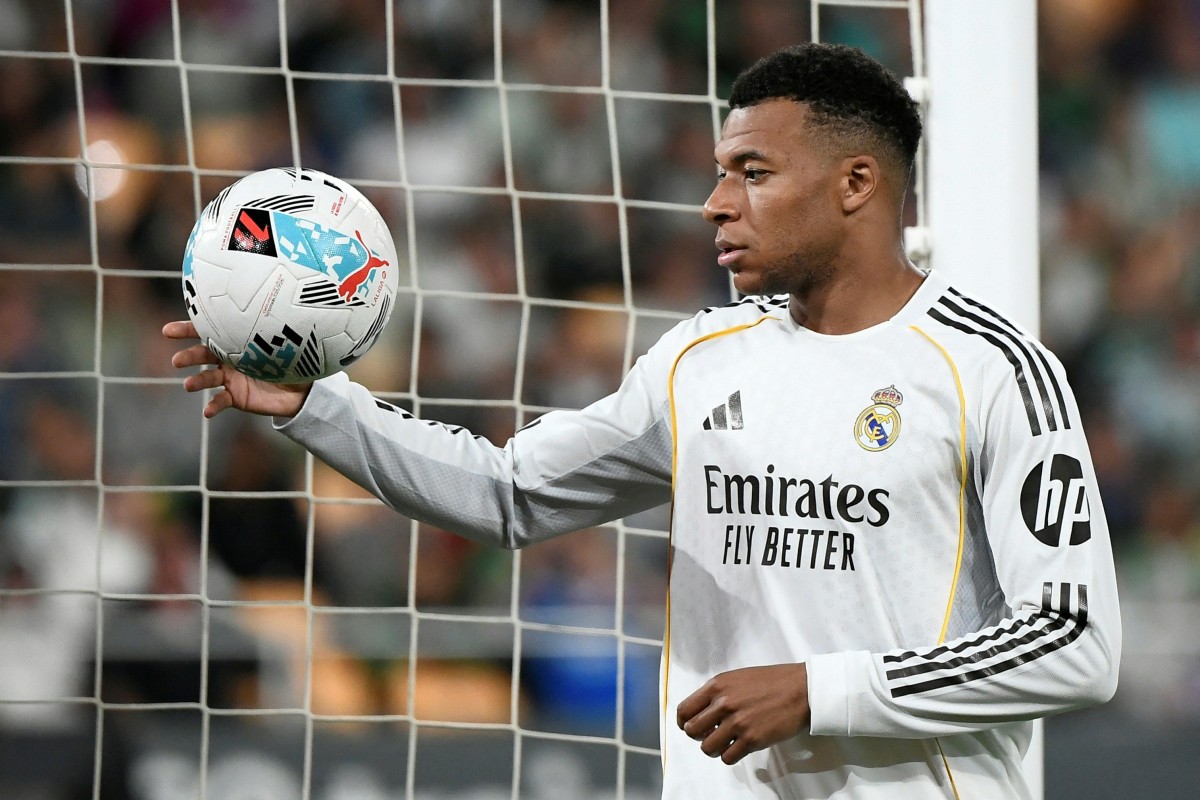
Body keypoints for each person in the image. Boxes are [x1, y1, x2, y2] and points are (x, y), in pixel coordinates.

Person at [164, 43, 1121, 799]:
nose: (714, 204)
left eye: (751, 172)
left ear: (856, 185)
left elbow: (1075, 641)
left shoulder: (994, 372)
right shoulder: (700, 363)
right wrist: (316, 406)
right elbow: (508, 492)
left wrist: (820, 691)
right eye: (719, 171)